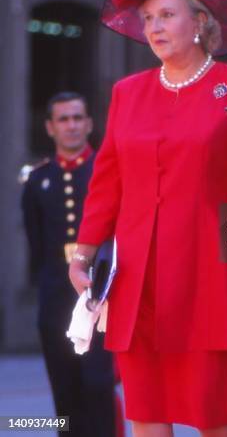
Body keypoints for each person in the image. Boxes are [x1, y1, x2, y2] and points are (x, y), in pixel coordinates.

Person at [68, 0, 227, 437]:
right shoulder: (127, 92)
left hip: (211, 279)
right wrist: (84, 251)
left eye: (167, 15)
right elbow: (108, 179)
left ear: (200, 21)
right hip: (140, 282)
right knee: (146, 412)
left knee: (217, 416)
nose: (154, 27)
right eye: (148, 19)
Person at [21, 92, 118, 437]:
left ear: (90, 124)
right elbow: (36, 242)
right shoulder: (37, 180)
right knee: (64, 391)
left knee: (98, 385)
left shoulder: (105, 171)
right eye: (63, 119)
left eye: (78, 118)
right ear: (50, 127)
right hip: (55, 299)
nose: (72, 125)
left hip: (100, 296)